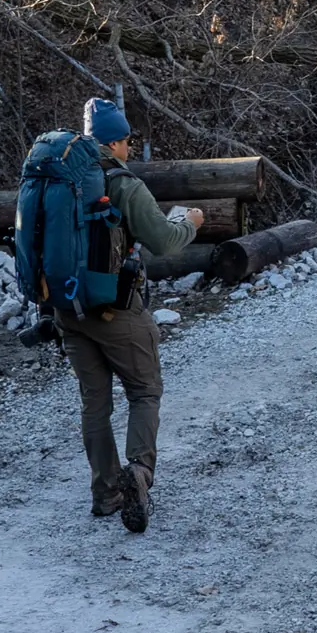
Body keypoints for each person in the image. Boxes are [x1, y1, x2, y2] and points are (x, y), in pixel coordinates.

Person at [39, 98, 199, 533]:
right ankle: (140, 475)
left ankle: (105, 492)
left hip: (68, 311)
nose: (129, 148)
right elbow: (165, 241)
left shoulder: (56, 178)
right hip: (118, 310)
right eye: (127, 140)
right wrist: (192, 222)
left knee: (95, 404)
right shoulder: (123, 184)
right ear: (116, 141)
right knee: (144, 391)